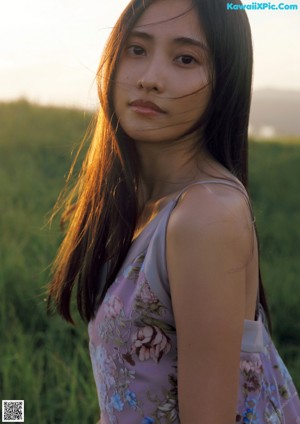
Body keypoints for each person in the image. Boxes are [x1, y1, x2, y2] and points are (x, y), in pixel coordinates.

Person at [47, 0, 300, 422]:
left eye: (186, 58)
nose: (150, 79)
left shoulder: (206, 216)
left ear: (225, 81)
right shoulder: (144, 202)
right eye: (137, 49)